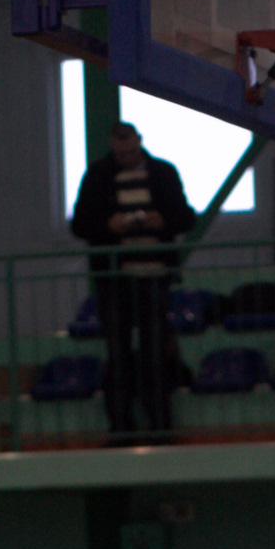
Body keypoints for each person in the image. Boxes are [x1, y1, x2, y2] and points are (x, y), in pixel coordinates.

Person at [70, 122, 196, 441]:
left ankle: (159, 424)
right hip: (115, 279)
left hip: (154, 276)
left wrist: (162, 220)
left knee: (155, 352)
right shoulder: (97, 176)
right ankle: (121, 426)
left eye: (131, 151)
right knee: (118, 353)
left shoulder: (163, 173)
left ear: (139, 142)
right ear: (113, 147)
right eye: (121, 153)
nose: (127, 157)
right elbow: (80, 224)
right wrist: (108, 225)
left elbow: (186, 216)